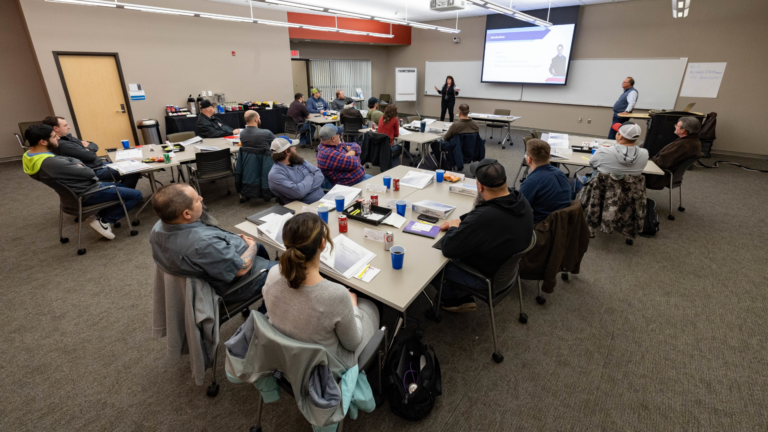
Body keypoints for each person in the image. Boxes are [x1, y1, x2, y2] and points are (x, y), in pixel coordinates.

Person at [263, 212, 380, 368]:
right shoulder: (336, 295)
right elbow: (352, 344)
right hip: (326, 367)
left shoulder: (273, 274)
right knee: (370, 306)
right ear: (323, 244)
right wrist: (353, 307)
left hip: (285, 354)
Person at [149, 183, 277, 303]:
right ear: (186, 214)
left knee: (261, 248)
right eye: (197, 200)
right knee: (288, 273)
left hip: (217, 261)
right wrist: (251, 245)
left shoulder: (158, 227)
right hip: (234, 283)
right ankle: (270, 300)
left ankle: (269, 293)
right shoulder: (203, 243)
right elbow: (241, 269)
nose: (201, 198)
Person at [437, 159, 533, 312]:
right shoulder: (519, 200)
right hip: (505, 270)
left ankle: (452, 299)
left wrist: (454, 228)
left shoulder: (487, 217)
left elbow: (448, 248)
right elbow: (479, 216)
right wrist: (462, 221)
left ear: (480, 186)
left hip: (484, 278)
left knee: (434, 265)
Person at [22, 124, 143, 240]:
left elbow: (70, 159)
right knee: (136, 195)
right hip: (88, 192)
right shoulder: (51, 163)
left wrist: (76, 163)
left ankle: (102, 214)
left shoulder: (30, 156)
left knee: (124, 188)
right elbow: (89, 173)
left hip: (75, 192)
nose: (58, 137)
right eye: (54, 136)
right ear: (42, 142)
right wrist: (79, 165)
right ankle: (104, 220)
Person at [42, 116, 140, 189]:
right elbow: (90, 155)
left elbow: (93, 145)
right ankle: (124, 195)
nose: (69, 127)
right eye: (65, 125)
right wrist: (87, 148)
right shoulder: (64, 144)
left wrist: (88, 147)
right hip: (95, 170)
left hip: (99, 165)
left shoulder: (68, 138)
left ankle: (123, 191)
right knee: (134, 171)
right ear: (56, 128)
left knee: (131, 164)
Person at [519, 139, 572, 223]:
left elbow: (519, 210)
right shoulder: (560, 174)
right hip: (563, 224)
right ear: (550, 156)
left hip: (541, 227)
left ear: (529, 159)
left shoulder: (531, 182)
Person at [645, 116, 703, 190]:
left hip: (659, 177)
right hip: (669, 174)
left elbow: (662, 163)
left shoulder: (684, 145)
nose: (675, 126)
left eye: (677, 125)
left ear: (683, 130)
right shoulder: (693, 141)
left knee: (630, 171)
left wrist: (647, 159)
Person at [268, 137, 327, 205]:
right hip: (304, 209)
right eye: (293, 146)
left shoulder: (298, 160)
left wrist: (304, 190)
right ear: (287, 152)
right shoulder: (275, 174)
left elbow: (319, 174)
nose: (295, 148)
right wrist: (310, 176)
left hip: (324, 201)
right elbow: (298, 193)